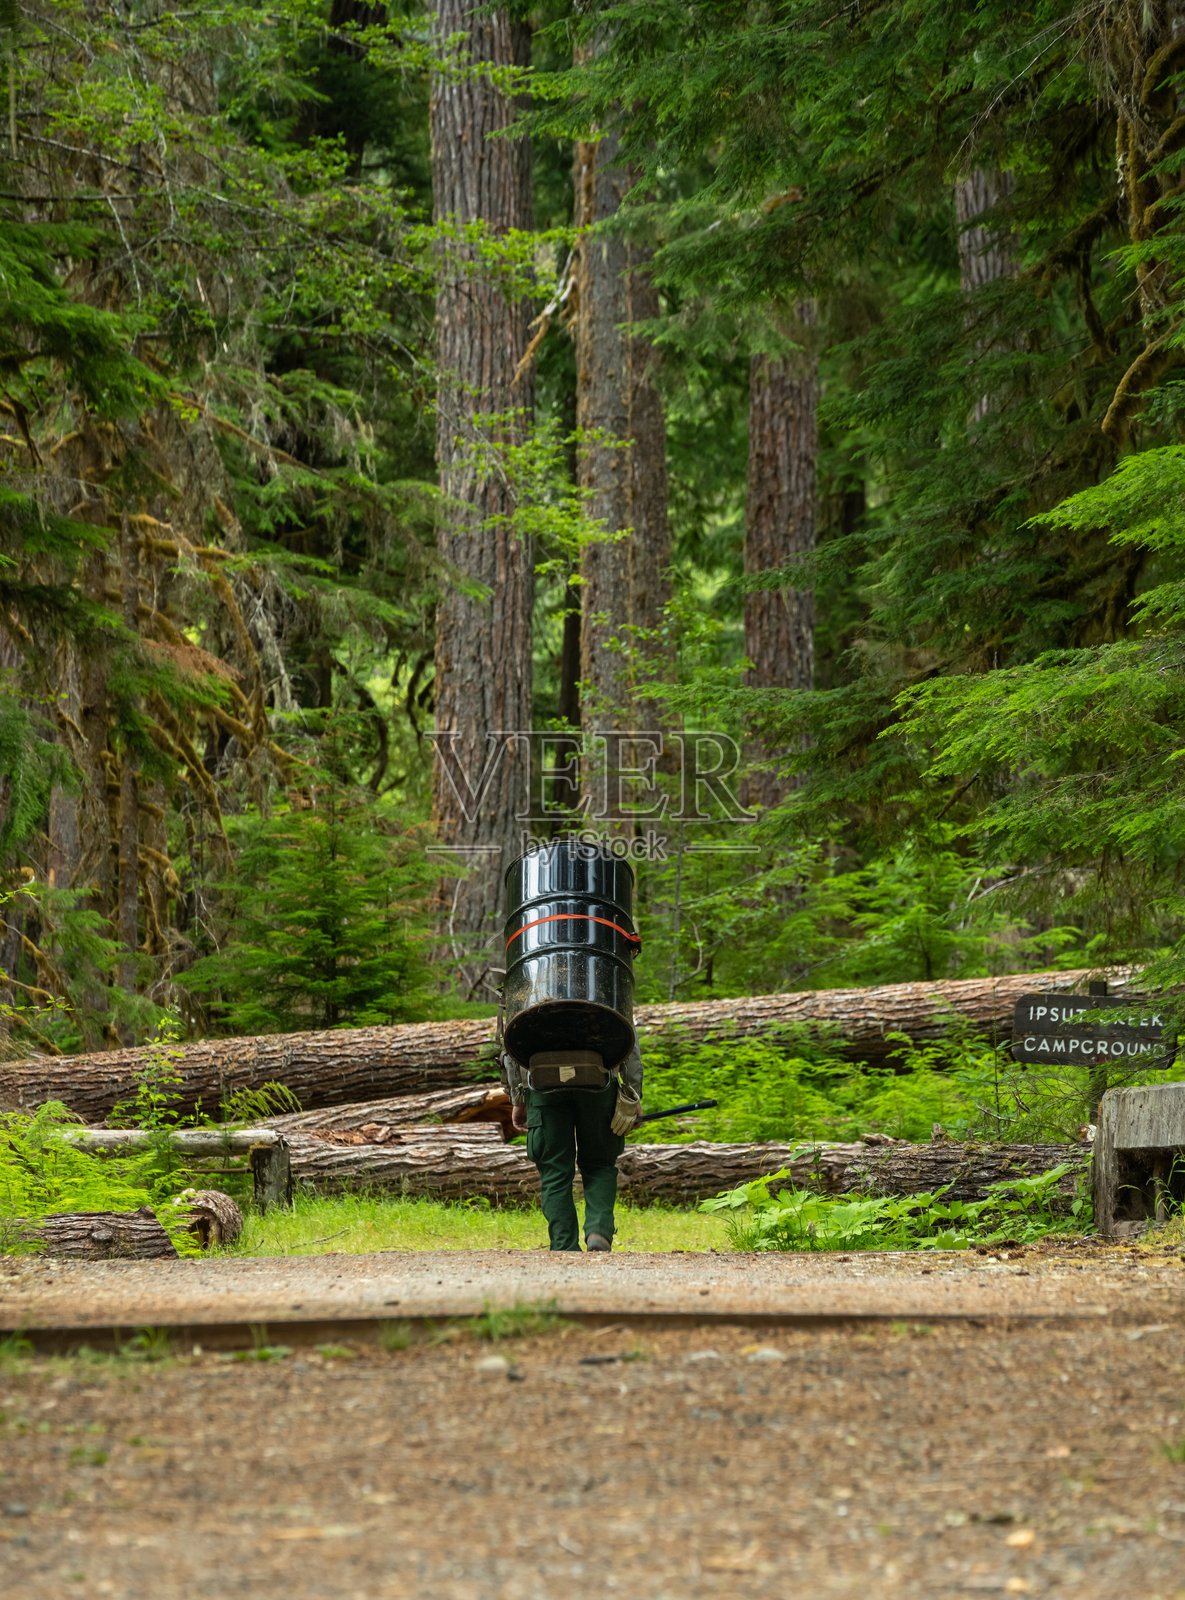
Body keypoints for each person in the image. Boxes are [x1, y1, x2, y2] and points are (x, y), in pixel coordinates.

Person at [502, 1042, 644, 1251]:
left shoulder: (524, 1005)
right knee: (600, 1163)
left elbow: (511, 1043)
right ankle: (598, 1231)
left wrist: (517, 1098)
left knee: (554, 1170)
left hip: (542, 1086)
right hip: (600, 1083)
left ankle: (564, 1246)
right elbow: (628, 1038)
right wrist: (633, 1092)